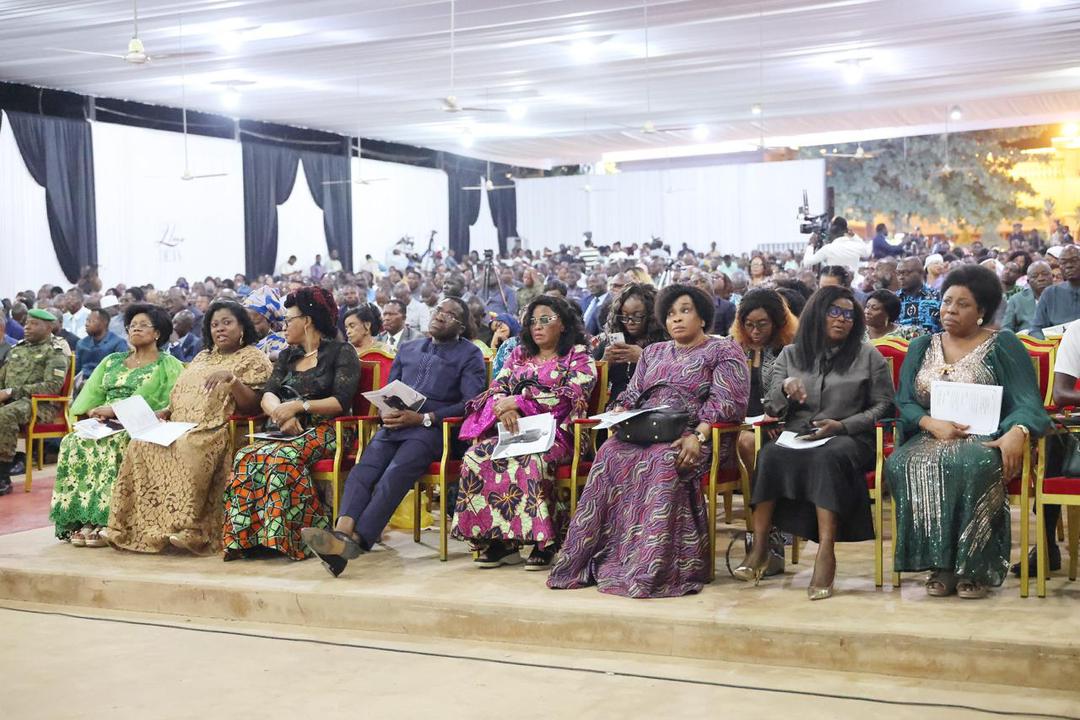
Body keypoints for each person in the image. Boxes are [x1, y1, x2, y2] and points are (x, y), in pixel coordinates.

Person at [548, 284, 750, 597]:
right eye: (670, 314)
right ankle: (607, 556)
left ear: (702, 317)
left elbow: (726, 403)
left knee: (662, 459)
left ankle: (653, 566)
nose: (676, 319)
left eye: (685, 311)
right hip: (647, 430)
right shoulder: (654, 352)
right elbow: (633, 393)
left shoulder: (723, 350)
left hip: (698, 434)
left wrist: (698, 436)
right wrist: (619, 410)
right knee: (609, 453)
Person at [886, 265, 1049, 598]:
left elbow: (1028, 402)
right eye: (947, 301)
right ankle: (940, 564)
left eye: (962, 304)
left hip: (986, 436)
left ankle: (973, 567)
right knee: (902, 463)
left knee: (973, 464)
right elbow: (904, 400)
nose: (950, 310)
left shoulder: (1002, 344)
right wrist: (930, 423)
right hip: (931, 433)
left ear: (981, 311)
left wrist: (1017, 430)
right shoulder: (921, 346)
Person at [300, 298, 487, 576]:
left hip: (434, 430)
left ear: (461, 326)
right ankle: (341, 533)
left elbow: (470, 403)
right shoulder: (409, 348)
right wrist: (385, 410)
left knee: (394, 474)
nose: (440, 316)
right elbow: (390, 390)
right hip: (395, 426)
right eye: (439, 310)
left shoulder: (469, 354)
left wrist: (425, 417)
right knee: (362, 472)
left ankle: (357, 540)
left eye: (450, 315)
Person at [738, 286, 893, 600]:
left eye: (849, 314)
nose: (842, 319)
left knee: (827, 457)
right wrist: (784, 387)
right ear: (817, 315)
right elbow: (772, 408)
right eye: (834, 312)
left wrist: (844, 425)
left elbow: (884, 406)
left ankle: (825, 553)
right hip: (800, 434)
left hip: (849, 438)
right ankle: (761, 545)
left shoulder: (868, 356)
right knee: (769, 455)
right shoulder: (791, 354)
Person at [106, 300, 272, 554]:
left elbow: (253, 406)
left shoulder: (253, 357)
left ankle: (192, 530)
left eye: (227, 323)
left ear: (242, 327)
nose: (220, 329)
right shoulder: (203, 356)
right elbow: (182, 392)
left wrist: (233, 380)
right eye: (214, 325)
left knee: (187, 447)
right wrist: (165, 412)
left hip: (217, 428)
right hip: (178, 424)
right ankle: (133, 528)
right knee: (140, 444)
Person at [451, 295, 596, 570]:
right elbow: (496, 388)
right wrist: (503, 408)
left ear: (563, 324)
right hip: (514, 430)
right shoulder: (519, 354)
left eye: (545, 320)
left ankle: (545, 543)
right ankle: (500, 543)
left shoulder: (578, 355)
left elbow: (572, 396)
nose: (537, 326)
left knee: (531, 461)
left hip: (557, 433)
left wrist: (519, 401)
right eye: (532, 321)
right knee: (475, 457)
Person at [222, 286, 360, 561]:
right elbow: (268, 395)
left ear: (307, 320)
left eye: (288, 320)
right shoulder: (287, 355)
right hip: (286, 428)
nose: (284, 326)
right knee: (246, 455)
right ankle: (248, 539)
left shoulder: (341, 352)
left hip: (328, 428)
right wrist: (280, 414)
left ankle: (300, 537)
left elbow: (340, 401)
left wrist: (298, 406)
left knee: (283, 458)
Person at [49, 304, 182, 544]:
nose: (135, 329)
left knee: (116, 443)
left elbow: (167, 402)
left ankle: (109, 521)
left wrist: (117, 411)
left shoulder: (168, 364)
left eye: (143, 325)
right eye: (132, 325)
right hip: (104, 422)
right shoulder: (112, 361)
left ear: (157, 333)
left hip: (141, 425)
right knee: (73, 441)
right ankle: (85, 519)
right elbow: (90, 396)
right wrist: (93, 411)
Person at [0, 309, 70, 495]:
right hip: (12, 401)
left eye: (34, 324)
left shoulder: (54, 352)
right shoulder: (17, 349)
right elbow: (2, 378)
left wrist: (12, 392)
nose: (27, 327)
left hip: (40, 405)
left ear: (48, 328)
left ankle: (3, 477)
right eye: (26, 323)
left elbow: (52, 386)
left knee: (5, 414)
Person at [730, 289, 799, 474]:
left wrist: (776, 416)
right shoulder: (733, 348)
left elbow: (796, 391)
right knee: (746, 440)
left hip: (778, 422)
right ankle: (757, 491)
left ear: (777, 322)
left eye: (762, 324)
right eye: (749, 324)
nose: (755, 331)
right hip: (740, 424)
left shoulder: (790, 349)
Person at [594, 283, 667, 408]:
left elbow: (674, 378)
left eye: (637, 316)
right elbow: (589, 386)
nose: (630, 322)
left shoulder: (665, 342)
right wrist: (605, 362)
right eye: (624, 316)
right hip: (615, 409)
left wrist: (644, 358)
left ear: (652, 315)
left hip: (651, 408)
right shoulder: (609, 341)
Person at [1031, 245, 1080, 338]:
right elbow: (1036, 329)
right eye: (1064, 262)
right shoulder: (1049, 294)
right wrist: (1046, 343)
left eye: (1074, 260)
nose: (1069, 266)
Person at [802, 217, 870, 274]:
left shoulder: (828, 248)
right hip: (854, 285)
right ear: (846, 230)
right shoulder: (857, 246)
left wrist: (811, 245)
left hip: (834, 284)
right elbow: (867, 253)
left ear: (831, 232)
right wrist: (854, 236)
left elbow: (807, 262)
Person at [74, 308, 128, 380]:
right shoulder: (81, 343)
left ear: (104, 323)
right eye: (87, 320)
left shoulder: (118, 343)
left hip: (106, 381)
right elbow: (76, 370)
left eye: (91, 321)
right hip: (83, 381)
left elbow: (122, 369)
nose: (86, 324)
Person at [896, 256, 942, 334]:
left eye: (905, 273)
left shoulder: (937, 297)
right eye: (898, 273)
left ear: (921, 273)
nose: (901, 277)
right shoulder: (894, 299)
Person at [243, 285, 289, 361]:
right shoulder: (241, 341)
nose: (248, 327)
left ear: (271, 323)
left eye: (255, 323)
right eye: (244, 322)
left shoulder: (280, 341)